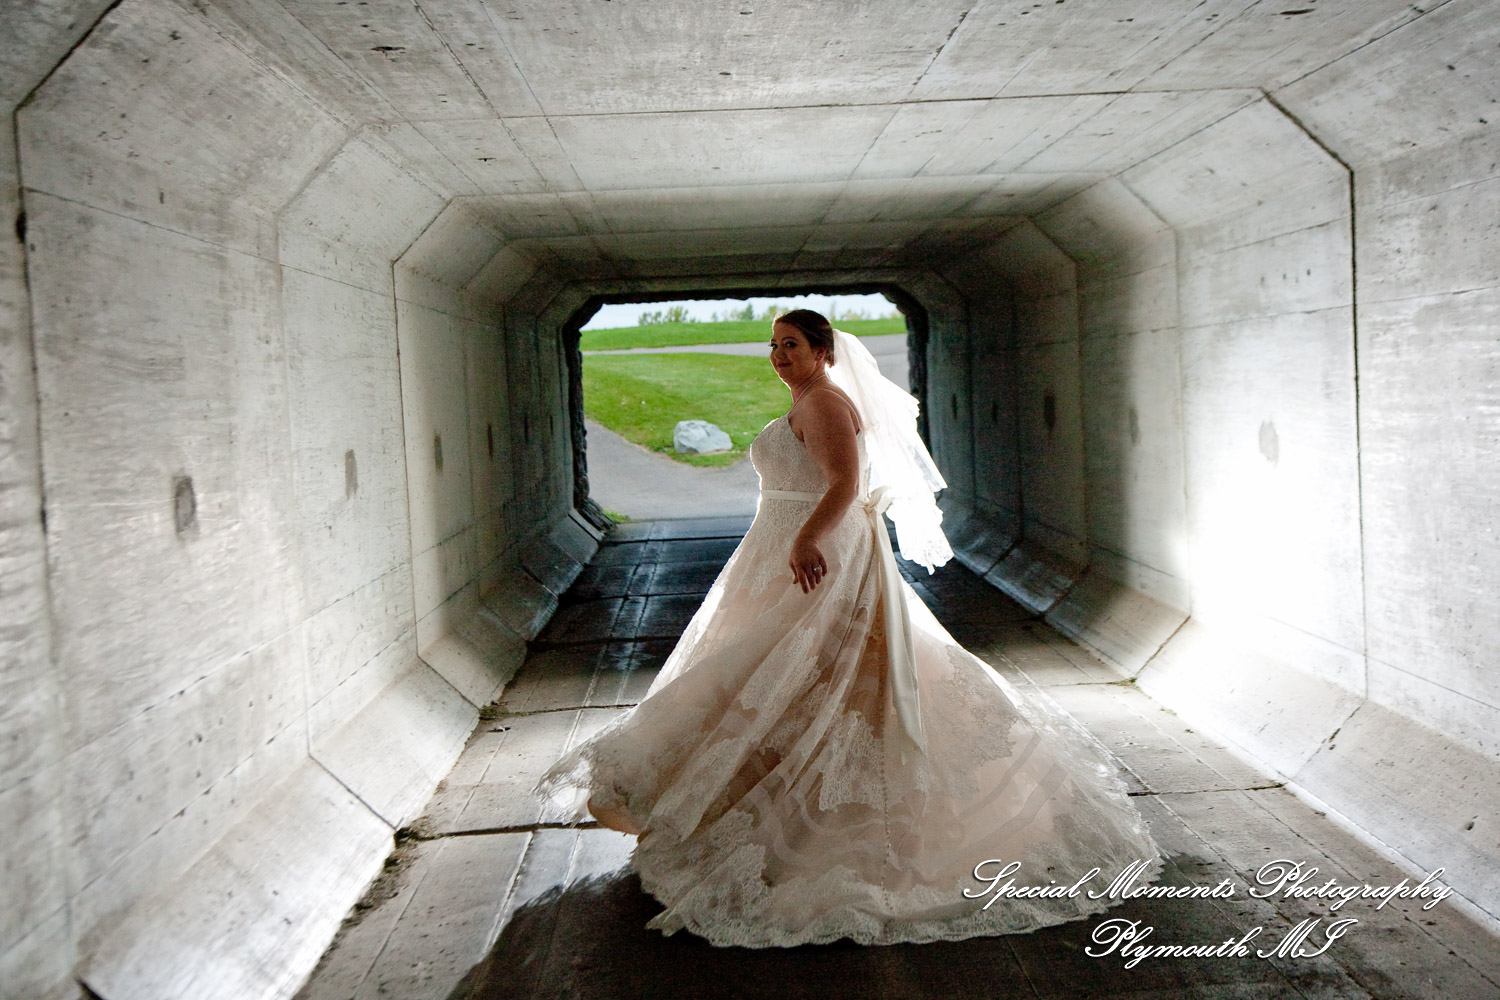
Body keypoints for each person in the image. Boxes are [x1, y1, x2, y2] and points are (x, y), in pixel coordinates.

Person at [534, 309, 1164, 948]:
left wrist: (807, 537)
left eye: (793, 345)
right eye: (774, 344)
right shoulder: (809, 399)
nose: (780, 355)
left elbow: (843, 485)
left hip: (819, 553)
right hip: (785, 548)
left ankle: (821, 824)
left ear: (822, 350)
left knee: (820, 673)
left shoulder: (828, 404)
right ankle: (756, 803)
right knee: (769, 670)